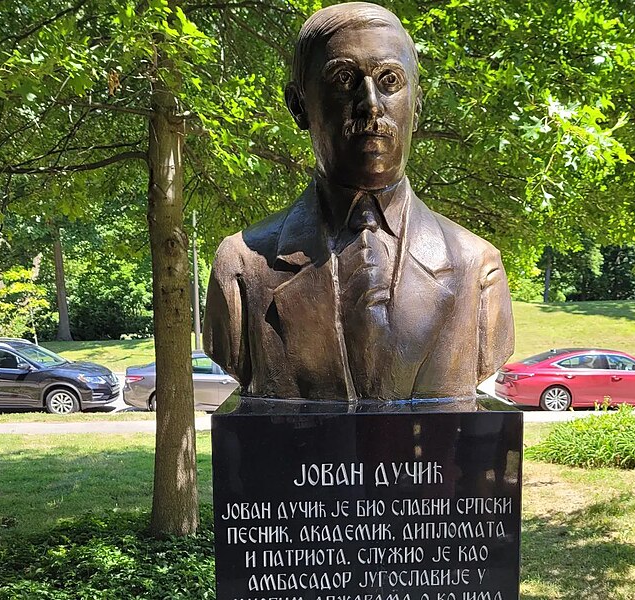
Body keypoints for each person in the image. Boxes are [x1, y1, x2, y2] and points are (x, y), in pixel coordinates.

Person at [203, 2, 514, 401]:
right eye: (345, 79)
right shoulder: (242, 268)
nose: (370, 104)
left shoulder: (477, 267)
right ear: (299, 105)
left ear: (416, 106)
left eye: (389, 80)